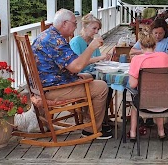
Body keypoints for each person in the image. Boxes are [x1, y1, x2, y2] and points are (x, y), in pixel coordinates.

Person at [31, 9, 112, 139]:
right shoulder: (56, 41)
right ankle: (91, 129)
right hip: (52, 89)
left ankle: (88, 120)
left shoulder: (46, 35)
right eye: (74, 23)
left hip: (45, 84)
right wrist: (91, 47)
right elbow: (76, 67)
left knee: (89, 77)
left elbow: (70, 65)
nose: (75, 26)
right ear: (64, 23)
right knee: (101, 87)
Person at [128, 30, 168, 141]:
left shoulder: (136, 59)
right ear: (155, 44)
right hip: (167, 103)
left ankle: (133, 133)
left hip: (145, 104)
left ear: (141, 45)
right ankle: (161, 132)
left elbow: (133, 84)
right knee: (158, 93)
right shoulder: (165, 57)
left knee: (134, 103)